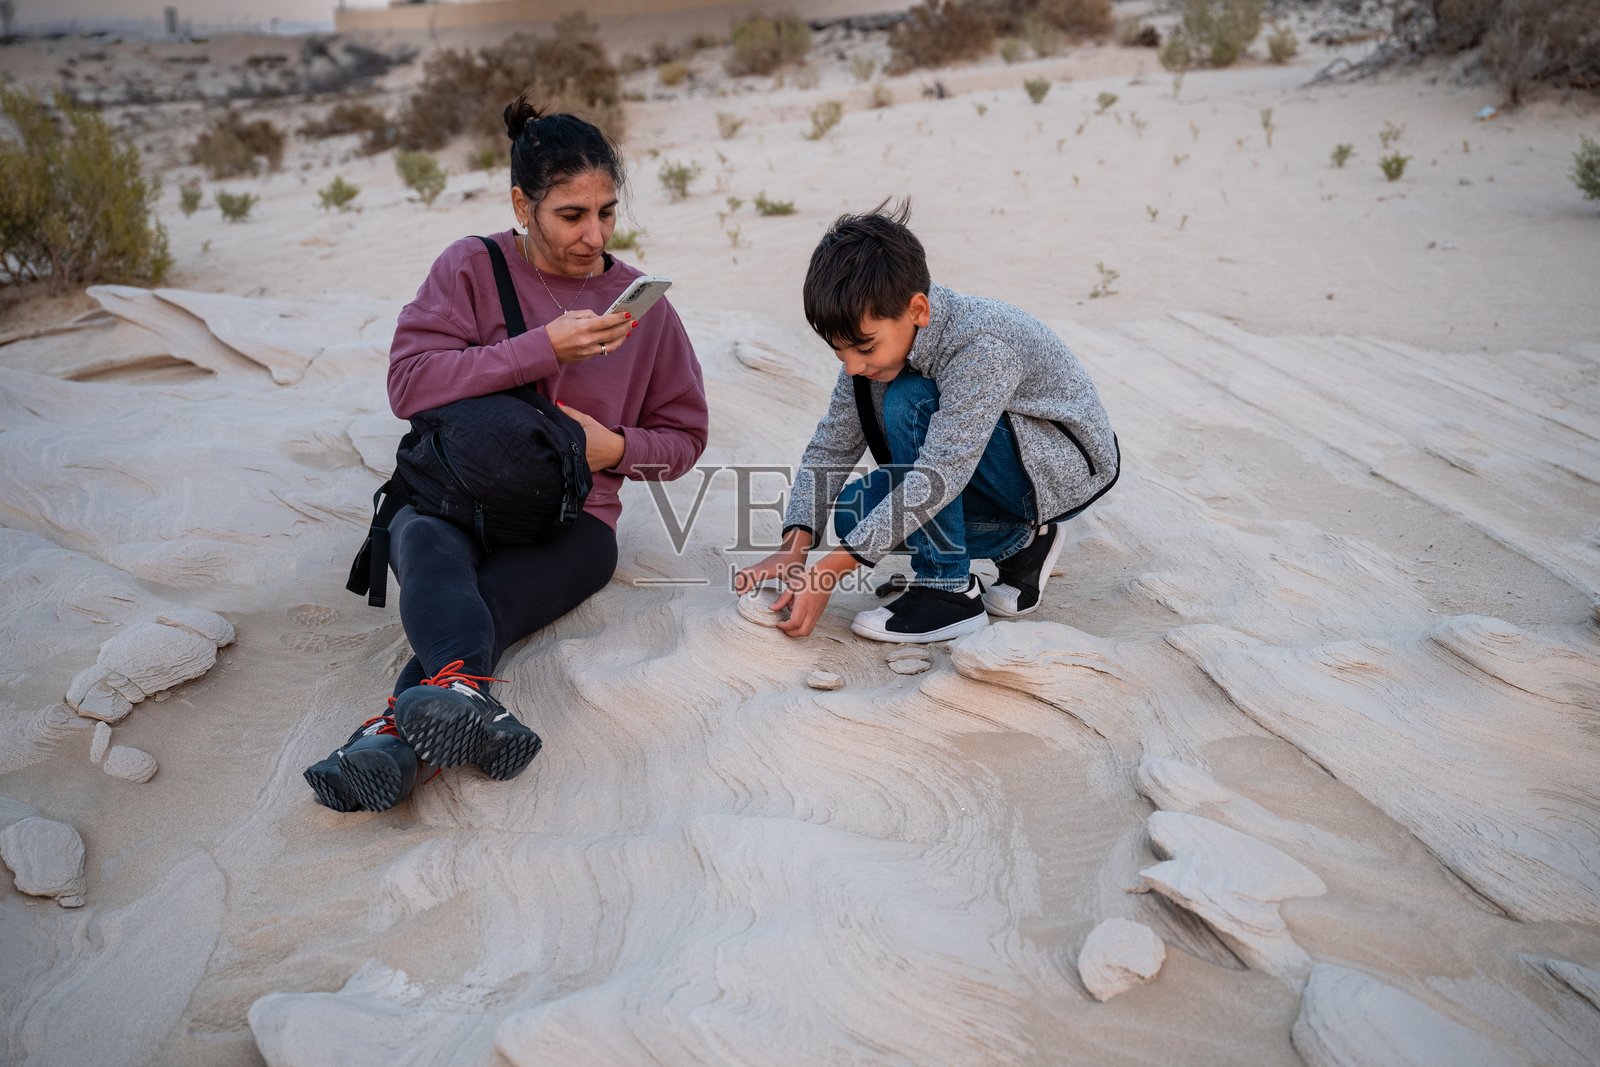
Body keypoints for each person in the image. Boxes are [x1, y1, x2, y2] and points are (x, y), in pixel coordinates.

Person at [305, 96, 708, 813]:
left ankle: (396, 736)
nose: (594, 235)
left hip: (575, 522)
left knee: (483, 604)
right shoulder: (470, 268)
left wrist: (612, 446)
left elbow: (684, 438)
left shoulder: (642, 308)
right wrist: (540, 349)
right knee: (424, 543)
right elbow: (408, 383)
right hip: (455, 498)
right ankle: (456, 703)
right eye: (570, 215)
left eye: (607, 212)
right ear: (522, 203)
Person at [734, 201, 1117, 643]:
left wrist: (829, 572)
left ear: (918, 310)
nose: (854, 367)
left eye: (864, 348)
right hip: (978, 463)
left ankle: (948, 592)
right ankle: (1023, 545)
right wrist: (795, 548)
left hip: (1056, 466)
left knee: (910, 401)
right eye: (841, 352)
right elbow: (831, 448)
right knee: (855, 517)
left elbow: (940, 474)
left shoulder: (981, 345)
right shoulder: (872, 355)